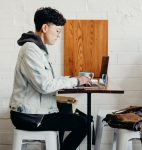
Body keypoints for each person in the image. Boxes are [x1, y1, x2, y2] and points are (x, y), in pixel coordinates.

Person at [9, 7, 92, 150]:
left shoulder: (38, 50)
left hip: (35, 110)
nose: (59, 36)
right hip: (28, 116)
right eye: (58, 31)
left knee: (74, 113)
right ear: (45, 27)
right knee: (84, 123)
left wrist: (73, 79)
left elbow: (47, 81)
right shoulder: (30, 50)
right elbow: (45, 85)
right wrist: (77, 81)